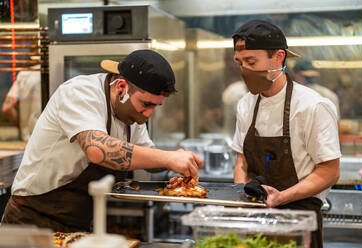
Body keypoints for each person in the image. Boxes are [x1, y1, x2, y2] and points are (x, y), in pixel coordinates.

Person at [1, 49, 202, 232]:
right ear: (122, 88)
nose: (148, 114)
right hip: (32, 218)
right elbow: (97, 149)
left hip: (77, 221)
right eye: (146, 104)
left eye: (155, 107)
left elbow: (147, 155)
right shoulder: (81, 92)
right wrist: (167, 158)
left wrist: (181, 160)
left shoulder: (133, 115)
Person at [231, 20, 340, 248]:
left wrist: (282, 197)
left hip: (299, 224)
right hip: (256, 220)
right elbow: (242, 160)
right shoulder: (245, 104)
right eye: (240, 63)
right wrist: (242, 200)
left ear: (279, 57)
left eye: (251, 62)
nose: (245, 70)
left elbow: (329, 172)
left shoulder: (313, 106)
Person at [2, 65, 41, 141]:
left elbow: (7, 108)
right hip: (52, 139)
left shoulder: (25, 74)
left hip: (28, 137)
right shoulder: (60, 71)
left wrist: (23, 127)